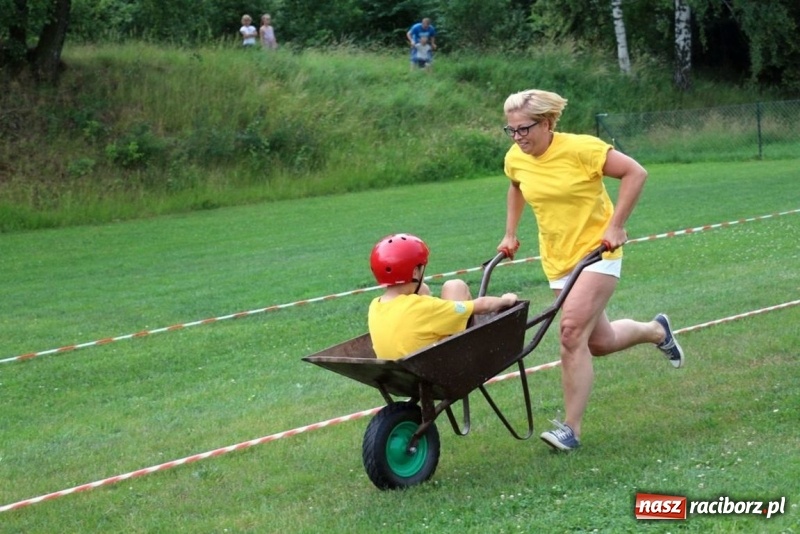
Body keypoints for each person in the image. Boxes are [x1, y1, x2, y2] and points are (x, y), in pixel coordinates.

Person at [496, 89, 685, 452]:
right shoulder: (516, 158)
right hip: (557, 260)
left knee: (569, 334)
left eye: (524, 129)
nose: (518, 138)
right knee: (599, 342)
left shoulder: (582, 149)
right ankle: (655, 330)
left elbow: (635, 172)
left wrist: (615, 225)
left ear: (547, 123)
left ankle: (571, 428)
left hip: (598, 253)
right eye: (512, 131)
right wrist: (510, 232)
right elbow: (516, 186)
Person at [368, 233, 518, 360]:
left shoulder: (375, 305)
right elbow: (483, 305)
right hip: (439, 366)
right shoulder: (421, 307)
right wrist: (506, 299)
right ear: (414, 273)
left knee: (424, 289)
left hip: (402, 374)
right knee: (455, 286)